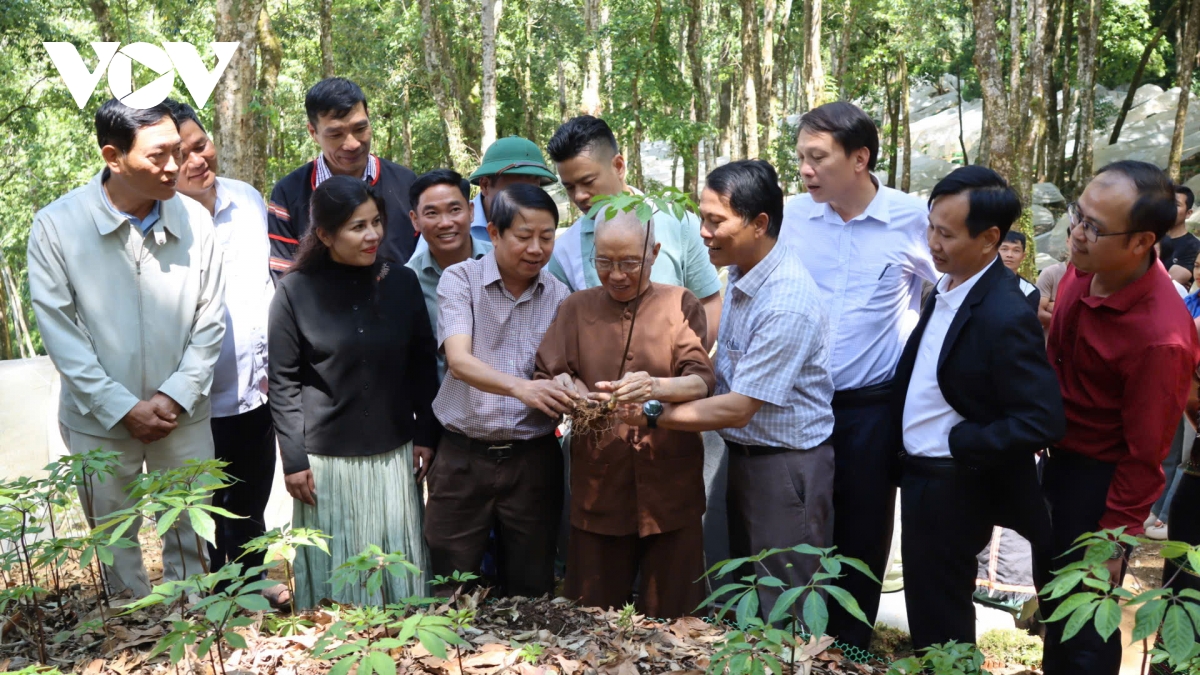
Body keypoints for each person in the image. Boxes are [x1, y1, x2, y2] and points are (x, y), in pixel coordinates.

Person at [618, 160, 835, 620]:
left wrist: (653, 413)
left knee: (786, 603)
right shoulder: (740, 272)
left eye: (716, 221)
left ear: (759, 224)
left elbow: (738, 408)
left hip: (785, 468)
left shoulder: (786, 301)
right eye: (702, 217)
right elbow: (725, 372)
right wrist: (658, 385)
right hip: (746, 459)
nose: (703, 232)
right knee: (746, 594)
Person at [27, 99, 225, 597]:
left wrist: (177, 393)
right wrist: (119, 407)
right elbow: (61, 333)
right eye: (158, 156)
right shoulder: (57, 227)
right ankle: (130, 628)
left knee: (191, 530)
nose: (175, 168)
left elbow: (210, 318)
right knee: (114, 537)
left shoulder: (196, 222)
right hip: (98, 418)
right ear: (113, 157)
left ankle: (195, 626)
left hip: (183, 412)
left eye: (178, 152)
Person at [778, 101, 937, 647]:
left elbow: (948, 294)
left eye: (817, 157)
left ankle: (847, 645)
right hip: (796, 402)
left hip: (872, 407)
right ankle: (788, 638)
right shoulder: (790, 217)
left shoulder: (914, 219)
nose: (805, 169)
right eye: (801, 156)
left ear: (860, 158)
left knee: (864, 528)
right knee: (796, 523)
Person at [893, 166, 1064, 649]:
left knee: (941, 616)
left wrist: (964, 442)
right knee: (927, 607)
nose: (932, 242)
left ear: (990, 238)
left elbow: (1042, 418)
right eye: (930, 226)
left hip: (954, 482)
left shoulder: (1004, 313)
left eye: (945, 233)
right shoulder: (948, 287)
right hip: (920, 473)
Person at [1041, 160, 1199, 674]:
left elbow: (1146, 454)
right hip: (1057, 466)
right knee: (1053, 612)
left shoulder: (1161, 336)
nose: (1077, 233)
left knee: (1086, 626)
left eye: (1093, 226)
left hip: (1101, 484)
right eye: (1077, 215)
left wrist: (1112, 543)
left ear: (1141, 241)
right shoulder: (1081, 273)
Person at [534, 210, 716, 618]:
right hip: (600, 483)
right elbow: (550, 370)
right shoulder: (576, 308)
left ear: (653, 253)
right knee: (591, 616)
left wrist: (654, 386)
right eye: (604, 262)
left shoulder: (678, 303)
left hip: (669, 484)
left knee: (676, 619)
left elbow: (702, 381)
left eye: (629, 263)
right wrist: (571, 389)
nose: (616, 275)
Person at [269, 176, 438, 608]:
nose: (373, 235)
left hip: (394, 453)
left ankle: (405, 641)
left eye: (376, 222)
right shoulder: (294, 291)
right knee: (337, 574)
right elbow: (284, 383)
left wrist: (426, 435)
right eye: (357, 227)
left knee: (397, 567)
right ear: (324, 235)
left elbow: (422, 366)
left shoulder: (400, 282)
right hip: (326, 463)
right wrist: (293, 460)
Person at [424, 184, 574, 597]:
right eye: (524, 237)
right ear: (493, 233)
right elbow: (459, 359)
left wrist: (564, 385)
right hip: (462, 456)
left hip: (532, 459)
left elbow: (559, 368)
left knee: (531, 584)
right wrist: (521, 389)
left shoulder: (560, 296)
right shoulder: (461, 280)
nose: (536, 249)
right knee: (450, 582)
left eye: (546, 237)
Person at [165, 100, 280, 594]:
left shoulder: (249, 200)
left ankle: (252, 589)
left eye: (201, 144)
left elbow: (268, 286)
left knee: (251, 503)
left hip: (257, 391)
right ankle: (211, 601)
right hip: (195, 401)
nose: (197, 160)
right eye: (181, 153)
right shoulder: (161, 222)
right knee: (203, 512)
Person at [545, 115, 722, 348]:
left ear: (618, 166)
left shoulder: (675, 222)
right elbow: (563, 328)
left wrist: (688, 366)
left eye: (588, 182)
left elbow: (709, 301)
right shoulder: (564, 251)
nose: (579, 196)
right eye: (569, 187)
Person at [267, 77, 418, 278]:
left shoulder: (406, 184)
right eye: (336, 134)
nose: (352, 143)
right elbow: (285, 278)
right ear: (313, 132)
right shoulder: (289, 193)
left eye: (360, 129)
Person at [405, 169, 494, 382]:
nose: (445, 223)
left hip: (511, 404)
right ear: (415, 220)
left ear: (471, 211)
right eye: (432, 213)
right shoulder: (408, 281)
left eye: (455, 209)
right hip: (443, 409)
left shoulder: (502, 261)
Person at [412, 136, 558, 258]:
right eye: (514, 191)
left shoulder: (541, 229)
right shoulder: (450, 225)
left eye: (532, 191)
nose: (525, 201)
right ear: (485, 185)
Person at [1157, 185, 1197, 287]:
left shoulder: (1193, 247)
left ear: (1188, 213)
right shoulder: (1152, 236)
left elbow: (1165, 285)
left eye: (1176, 204)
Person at [998, 230, 1040, 313]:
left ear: (1023, 256)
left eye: (1016, 250)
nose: (1009, 255)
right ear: (994, 251)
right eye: (1004, 249)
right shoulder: (978, 282)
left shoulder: (1028, 291)